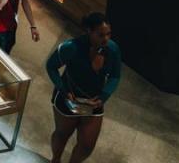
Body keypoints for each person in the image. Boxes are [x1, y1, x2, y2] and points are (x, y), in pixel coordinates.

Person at [46, 12, 122, 163]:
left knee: (87, 145)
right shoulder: (71, 47)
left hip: (93, 102)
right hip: (68, 99)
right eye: (101, 35)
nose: (106, 39)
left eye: (108, 34)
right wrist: (63, 89)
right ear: (89, 31)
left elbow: (115, 76)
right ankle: (55, 160)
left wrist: (103, 97)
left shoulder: (112, 50)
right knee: (62, 134)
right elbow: (51, 66)